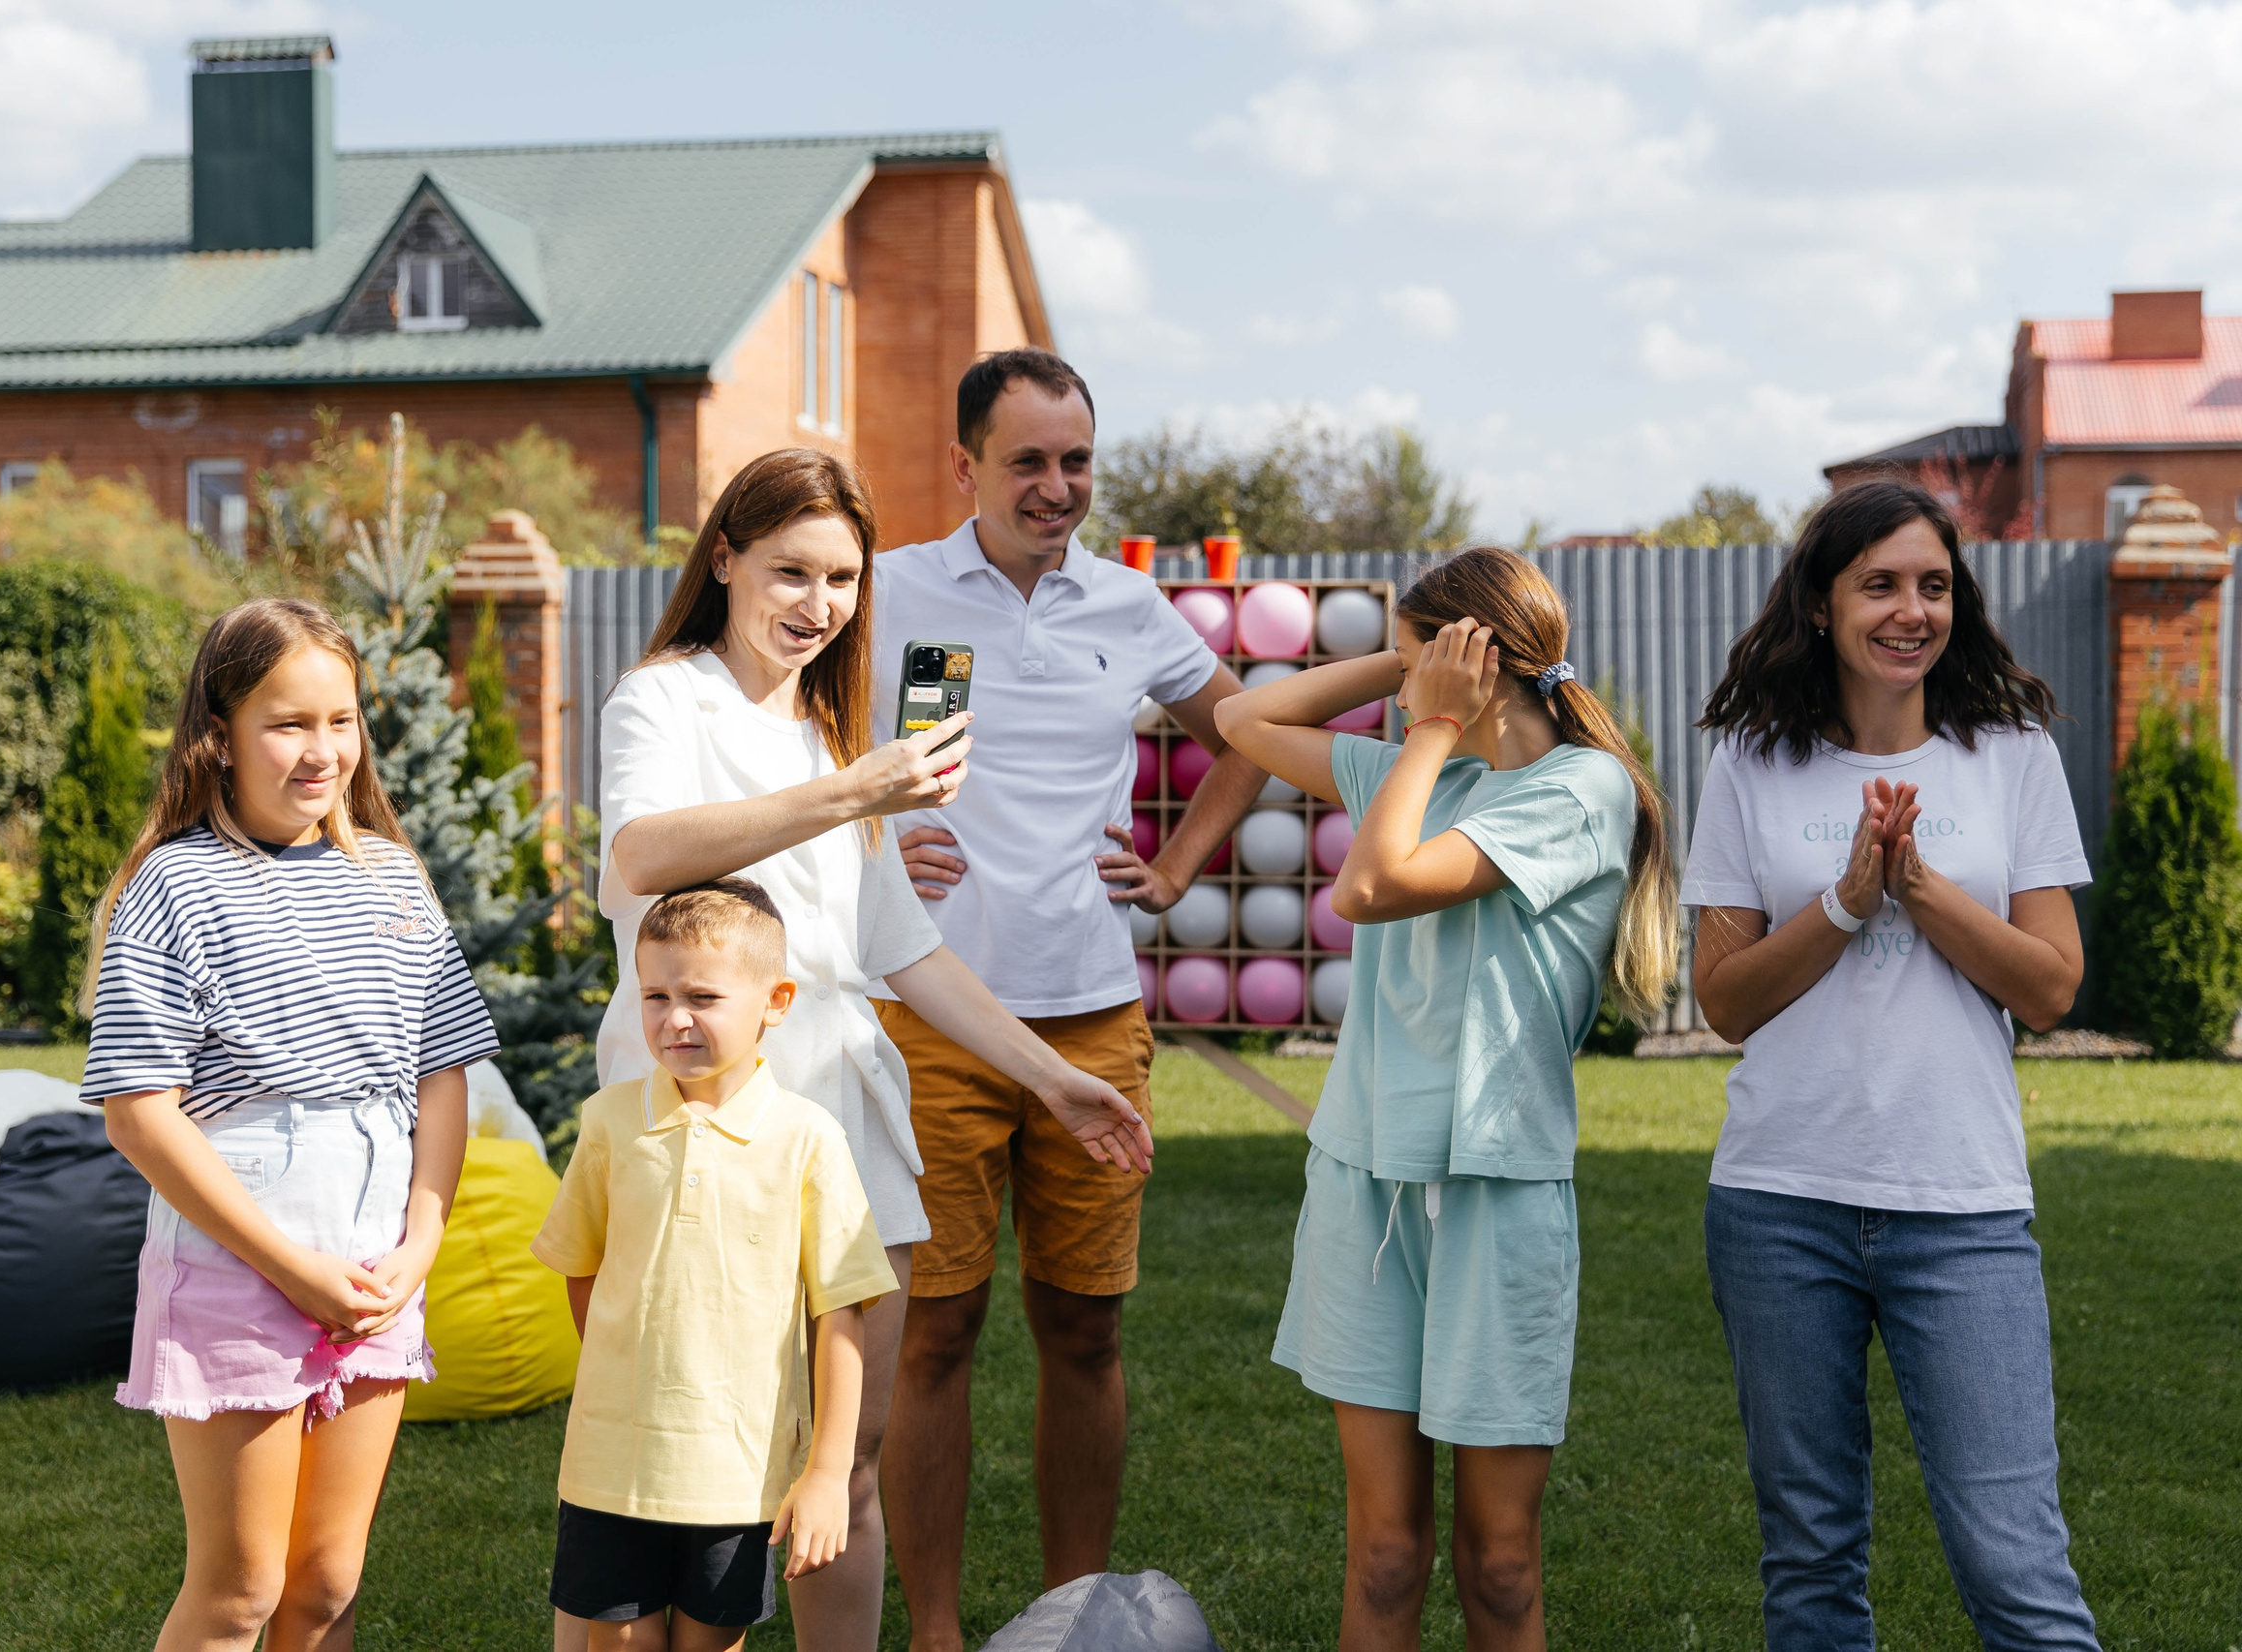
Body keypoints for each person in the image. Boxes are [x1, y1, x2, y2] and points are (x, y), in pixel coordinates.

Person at [597, 446, 1152, 1652]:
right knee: (706, 1460)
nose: (819, 605)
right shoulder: (665, 698)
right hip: (704, 1105)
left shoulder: (827, 727)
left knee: (847, 1455)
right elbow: (642, 856)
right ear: (726, 558)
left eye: (842, 579)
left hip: (844, 1115)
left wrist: (1053, 1078)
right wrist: (858, 793)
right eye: (791, 571)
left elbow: (907, 953)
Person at [872, 348, 1265, 1649]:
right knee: (936, 1332)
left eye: (1076, 460)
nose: (1056, 486)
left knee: (1083, 1332)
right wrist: (862, 845)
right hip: (930, 1012)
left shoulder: (1129, 604)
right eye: (1028, 459)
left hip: (1093, 1012)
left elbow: (1245, 735)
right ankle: (933, 1630)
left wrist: (1174, 865)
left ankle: (1077, 1622)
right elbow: (792, 755)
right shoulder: (889, 595)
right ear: (965, 465)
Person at [1217, 547, 1676, 1651]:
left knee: (1502, 1561)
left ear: (1479, 664)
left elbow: (1369, 887)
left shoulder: (1582, 789)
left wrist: (1425, 721)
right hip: (1362, 1186)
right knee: (1381, 1550)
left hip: (1497, 1195)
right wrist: (1401, 665)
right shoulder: (1418, 773)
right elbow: (1241, 719)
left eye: (1428, 653)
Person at [1684, 479, 2096, 1649]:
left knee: (2013, 1561)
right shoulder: (1751, 766)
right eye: (1879, 584)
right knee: (1810, 1561)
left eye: (1931, 583)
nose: (1910, 609)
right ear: (1821, 604)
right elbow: (1725, 1000)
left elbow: (2051, 986)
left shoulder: (2006, 757)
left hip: (1960, 1206)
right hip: (1779, 1203)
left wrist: (1916, 887)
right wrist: (1846, 898)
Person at [83, 597, 498, 1652]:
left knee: (324, 1582)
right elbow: (139, 1111)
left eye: (342, 720)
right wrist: (292, 1268)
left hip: (376, 1272)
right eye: (288, 722)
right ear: (217, 733)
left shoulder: (395, 879)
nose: (323, 751)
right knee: (243, 1588)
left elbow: (442, 1070)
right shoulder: (173, 886)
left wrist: (420, 1245)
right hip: (237, 1270)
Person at [535, 879, 898, 1652]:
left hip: (739, 1471)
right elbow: (581, 1270)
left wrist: (828, 1472)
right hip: (611, 1466)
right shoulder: (606, 1124)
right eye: (655, 995)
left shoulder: (809, 1139)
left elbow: (840, 1314)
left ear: (776, 1001)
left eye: (702, 995)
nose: (675, 1018)